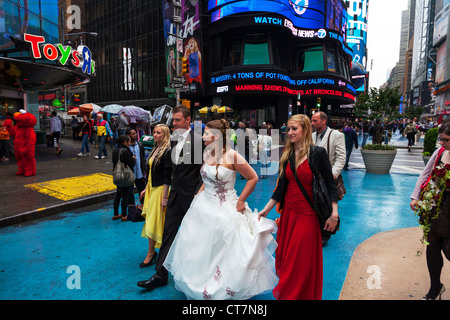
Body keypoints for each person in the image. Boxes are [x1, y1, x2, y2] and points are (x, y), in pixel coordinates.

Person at [163, 119, 277, 300]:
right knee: (198, 244)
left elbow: (253, 177)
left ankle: (222, 285)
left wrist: (241, 201)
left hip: (225, 205)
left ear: (216, 136)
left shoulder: (232, 156)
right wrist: (198, 194)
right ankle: (198, 281)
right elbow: (205, 178)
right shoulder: (206, 153)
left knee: (222, 245)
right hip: (202, 205)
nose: (203, 136)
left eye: (206, 133)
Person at [258, 114, 339, 300]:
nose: (290, 132)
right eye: (288, 128)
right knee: (286, 260)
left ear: (305, 130)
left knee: (299, 262)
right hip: (288, 216)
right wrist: (266, 209)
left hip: (307, 216)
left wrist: (334, 213)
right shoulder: (286, 155)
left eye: (294, 129)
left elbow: (330, 184)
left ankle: (294, 296)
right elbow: (281, 188)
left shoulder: (317, 154)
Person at [137, 105, 203, 291]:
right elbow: (172, 172)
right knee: (168, 236)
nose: (173, 124)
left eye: (177, 120)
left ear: (188, 120)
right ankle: (160, 275)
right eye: (173, 120)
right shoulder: (174, 140)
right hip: (174, 197)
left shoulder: (197, 140)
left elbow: (200, 170)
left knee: (194, 237)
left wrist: (198, 194)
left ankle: (195, 274)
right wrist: (166, 195)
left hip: (192, 198)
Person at [410, 122, 450, 300]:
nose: (442, 143)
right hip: (436, 205)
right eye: (440, 139)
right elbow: (425, 174)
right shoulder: (440, 152)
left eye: (446, 140)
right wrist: (415, 196)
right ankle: (435, 287)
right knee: (432, 246)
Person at [139, 124, 172, 268]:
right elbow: (151, 172)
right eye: (154, 132)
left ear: (164, 135)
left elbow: (167, 177)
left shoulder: (167, 151)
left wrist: (164, 198)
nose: (155, 135)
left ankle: (152, 253)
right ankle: (153, 252)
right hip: (151, 189)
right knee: (152, 221)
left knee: (154, 222)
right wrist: (146, 188)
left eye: (158, 132)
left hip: (160, 191)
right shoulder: (154, 149)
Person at [311, 111, 346, 246]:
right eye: (312, 121)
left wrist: (332, 174)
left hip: (328, 176)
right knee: (316, 203)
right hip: (314, 177)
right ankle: (317, 230)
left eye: (315, 121)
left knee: (327, 204)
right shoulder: (312, 136)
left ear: (323, 121)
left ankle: (325, 233)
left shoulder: (336, 135)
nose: (313, 123)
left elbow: (341, 158)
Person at [112, 134, 136, 221]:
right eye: (129, 142)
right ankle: (124, 215)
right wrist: (134, 158)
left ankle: (115, 214)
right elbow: (131, 164)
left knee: (118, 194)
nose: (130, 143)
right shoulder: (125, 151)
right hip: (125, 176)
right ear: (125, 142)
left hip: (117, 175)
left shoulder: (115, 150)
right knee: (125, 195)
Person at [127, 128, 147, 206]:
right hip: (130, 174)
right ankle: (131, 207)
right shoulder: (126, 147)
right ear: (128, 135)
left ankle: (143, 206)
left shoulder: (139, 145)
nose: (135, 135)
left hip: (139, 173)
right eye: (133, 134)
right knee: (129, 192)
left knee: (142, 190)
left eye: (135, 133)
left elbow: (143, 158)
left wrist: (144, 170)